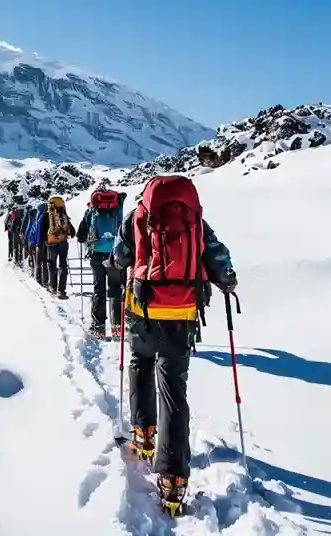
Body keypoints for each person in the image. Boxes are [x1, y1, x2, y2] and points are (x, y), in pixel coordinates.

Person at [112, 175, 236, 515]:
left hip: (143, 311)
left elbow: (120, 258)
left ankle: (144, 433)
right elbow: (216, 256)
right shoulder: (194, 217)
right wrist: (226, 279)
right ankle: (173, 477)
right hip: (181, 312)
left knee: (140, 364)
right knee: (174, 391)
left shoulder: (137, 216)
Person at [76, 188, 126, 339]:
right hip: (114, 254)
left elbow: (80, 235)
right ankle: (117, 327)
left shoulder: (91, 210)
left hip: (97, 254)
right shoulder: (118, 208)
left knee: (99, 289)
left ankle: (98, 327)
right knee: (115, 289)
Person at [41, 196, 75, 298]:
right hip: (63, 244)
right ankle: (61, 290)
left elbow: (43, 231)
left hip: (51, 244)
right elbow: (72, 232)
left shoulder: (47, 215)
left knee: (51, 265)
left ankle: (52, 287)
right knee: (63, 266)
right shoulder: (63, 215)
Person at [26, 201, 49, 286]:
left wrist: (36, 243)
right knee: (48, 262)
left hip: (40, 243)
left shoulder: (40, 217)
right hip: (51, 243)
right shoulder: (51, 216)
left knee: (40, 262)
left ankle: (39, 279)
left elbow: (36, 232)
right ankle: (48, 281)